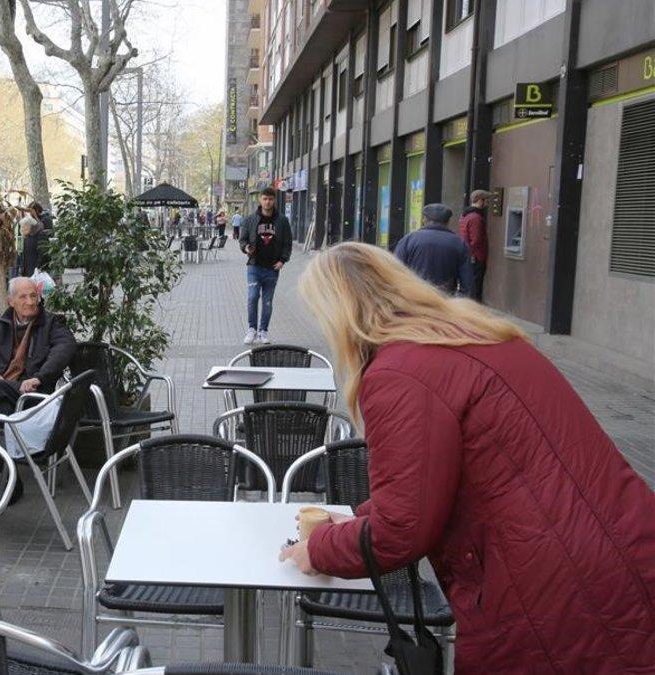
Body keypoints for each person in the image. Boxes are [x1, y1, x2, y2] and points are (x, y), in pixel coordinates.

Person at [279, 243, 655, 673]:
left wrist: (320, 550)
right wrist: (358, 523)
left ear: (338, 313)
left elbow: (402, 531)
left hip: (550, 590)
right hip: (618, 550)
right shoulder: (482, 335)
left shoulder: (399, 372)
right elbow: (428, 488)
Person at [0, 277, 77, 423]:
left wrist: (40, 377)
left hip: (35, 389)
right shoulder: (1, 325)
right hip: (5, 385)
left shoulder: (52, 323)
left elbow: (65, 347)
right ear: (11, 301)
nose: (30, 302)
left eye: (33, 296)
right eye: (23, 297)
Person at [238, 188, 293, 345]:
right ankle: (251, 329)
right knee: (252, 297)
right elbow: (242, 240)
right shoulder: (250, 220)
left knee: (267, 301)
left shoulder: (282, 221)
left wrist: (282, 260)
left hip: (272, 268)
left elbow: (288, 243)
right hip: (254, 267)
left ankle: (263, 331)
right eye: (264, 199)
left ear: (274, 200)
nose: (267, 202)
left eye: (270, 199)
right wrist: (246, 248)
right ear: (260, 200)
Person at [393, 203, 474, 296]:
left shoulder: (408, 240)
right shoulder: (459, 244)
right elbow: (468, 285)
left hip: (413, 300)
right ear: (448, 222)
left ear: (424, 220)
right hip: (444, 302)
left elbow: (394, 272)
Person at [458, 189, 490, 302]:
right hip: (476, 257)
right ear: (481, 200)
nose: (487, 204)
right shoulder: (476, 218)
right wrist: (477, 256)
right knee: (476, 286)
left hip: (468, 255)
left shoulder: (465, 215)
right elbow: (476, 240)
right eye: (486, 200)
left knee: (469, 284)